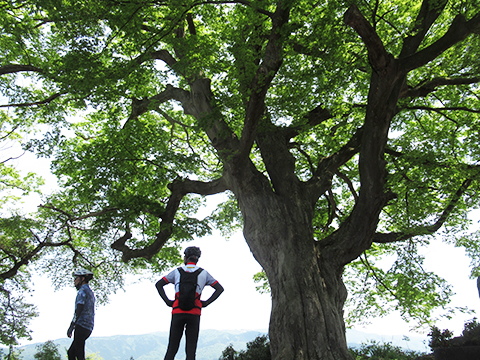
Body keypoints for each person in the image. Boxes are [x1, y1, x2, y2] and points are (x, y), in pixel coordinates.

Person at [156, 246, 224, 360]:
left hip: (177, 312)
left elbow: (159, 284)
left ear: (186, 258)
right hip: (195, 313)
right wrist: (206, 303)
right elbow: (219, 289)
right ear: (197, 259)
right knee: (191, 351)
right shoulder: (204, 273)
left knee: (172, 349)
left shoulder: (177, 272)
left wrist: (168, 302)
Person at [67, 268, 96, 360]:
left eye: (76, 278)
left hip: (81, 325)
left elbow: (79, 308)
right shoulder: (91, 293)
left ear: (82, 279)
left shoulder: (82, 291)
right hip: (89, 327)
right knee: (72, 352)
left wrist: (71, 326)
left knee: (79, 354)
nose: (74, 281)